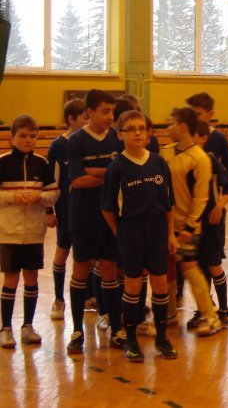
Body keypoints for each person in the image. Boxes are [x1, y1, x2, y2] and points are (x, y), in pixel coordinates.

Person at [101, 110, 178, 362]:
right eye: (131, 129)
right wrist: (120, 233)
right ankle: (131, 340)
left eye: (141, 128)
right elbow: (107, 208)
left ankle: (162, 338)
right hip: (131, 229)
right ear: (120, 134)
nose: (137, 133)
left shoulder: (158, 163)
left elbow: (169, 203)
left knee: (160, 283)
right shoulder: (117, 167)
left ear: (147, 133)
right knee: (133, 285)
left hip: (157, 229)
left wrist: (170, 234)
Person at [66, 89, 125, 354]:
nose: (110, 116)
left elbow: (121, 173)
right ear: (90, 112)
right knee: (81, 269)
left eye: (112, 112)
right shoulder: (76, 141)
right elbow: (78, 181)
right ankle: (77, 329)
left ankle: (116, 326)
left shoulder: (116, 139)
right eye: (105, 111)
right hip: (83, 215)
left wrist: (96, 172)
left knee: (109, 269)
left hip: (109, 215)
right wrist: (108, 173)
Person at [161, 107, 223, 335]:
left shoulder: (200, 159)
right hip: (166, 225)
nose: (168, 128)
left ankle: (210, 316)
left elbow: (201, 198)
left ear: (182, 126)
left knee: (189, 267)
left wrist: (189, 226)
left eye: (171, 123)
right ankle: (168, 314)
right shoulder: (165, 152)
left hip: (186, 227)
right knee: (166, 269)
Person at [0, 115, 59, 348]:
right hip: (8, 232)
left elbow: (54, 193)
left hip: (35, 232)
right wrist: (13, 197)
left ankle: (28, 326)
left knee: (31, 278)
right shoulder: (3, 162)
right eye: (23, 136)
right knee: (11, 278)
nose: (28, 140)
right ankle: (6, 328)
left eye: (32, 136)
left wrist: (39, 197)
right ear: (12, 138)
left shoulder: (42, 164)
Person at [186, 92, 228, 307]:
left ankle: (223, 308)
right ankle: (205, 307)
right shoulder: (185, 146)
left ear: (210, 114)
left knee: (212, 262)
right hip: (194, 215)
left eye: (198, 114)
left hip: (213, 212)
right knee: (198, 263)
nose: (195, 118)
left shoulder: (217, 142)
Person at [47, 99, 88, 321]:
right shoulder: (58, 146)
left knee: (88, 256)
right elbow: (51, 181)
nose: (87, 121)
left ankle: (91, 297)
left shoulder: (87, 143)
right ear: (71, 119)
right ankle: (59, 299)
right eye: (83, 117)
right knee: (62, 251)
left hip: (86, 208)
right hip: (65, 209)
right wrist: (49, 210)